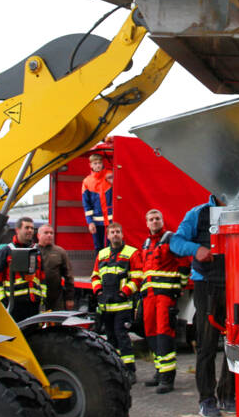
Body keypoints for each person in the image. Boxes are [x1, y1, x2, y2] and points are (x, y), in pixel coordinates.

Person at [171, 194, 233, 417]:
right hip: (206, 284)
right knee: (207, 344)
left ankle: (229, 396)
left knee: (236, 344)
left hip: (236, 283)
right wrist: (196, 249)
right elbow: (176, 242)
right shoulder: (197, 214)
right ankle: (207, 400)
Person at [136, 209, 190, 394]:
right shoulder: (146, 243)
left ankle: (168, 378)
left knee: (164, 332)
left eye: (157, 218)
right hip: (149, 296)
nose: (154, 221)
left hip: (165, 296)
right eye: (151, 219)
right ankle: (159, 371)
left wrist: (180, 287)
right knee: (151, 332)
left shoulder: (170, 239)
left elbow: (184, 263)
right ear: (146, 223)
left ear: (162, 220)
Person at [91, 222, 139, 382]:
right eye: (112, 232)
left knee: (122, 336)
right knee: (110, 339)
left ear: (122, 234)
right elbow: (95, 276)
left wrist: (125, 292)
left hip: (123, 305)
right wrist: (98, 291)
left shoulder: (131, 253)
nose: (115, 234)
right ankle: (114, 370)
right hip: (106, 305)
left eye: (118, 231)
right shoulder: (102, 254)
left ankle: (129, 371)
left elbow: (138, 277)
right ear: (108, 236)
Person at [0, 217, 46, 322]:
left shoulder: (36, 251)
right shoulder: (6, 251)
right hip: (13, 305)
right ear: (17, 230)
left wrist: (42, 299)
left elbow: (42, 278)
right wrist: (3, 301)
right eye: (27, 227)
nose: (30, 230)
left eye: (32, 228)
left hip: (34, 304)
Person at [81, 151, 113, 252]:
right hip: (97, 222)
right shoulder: (87, 181)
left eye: (99, 163)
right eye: (95, 163)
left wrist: (114, 182)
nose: (98, 165)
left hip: (112, 221)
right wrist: (90, 222)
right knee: (98, 247)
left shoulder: (110, 175)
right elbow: (87, 205)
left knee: (112, 247)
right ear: (90, 165)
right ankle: (99, 263)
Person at [36, 224, 73, 311]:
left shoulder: (60, 252)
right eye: (46, 233)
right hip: (36, 297)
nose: (49, 235)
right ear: (38, 235)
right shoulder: (32, 251)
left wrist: (69, 298)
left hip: (55, 298)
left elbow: (69, 276)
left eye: (51, 233)